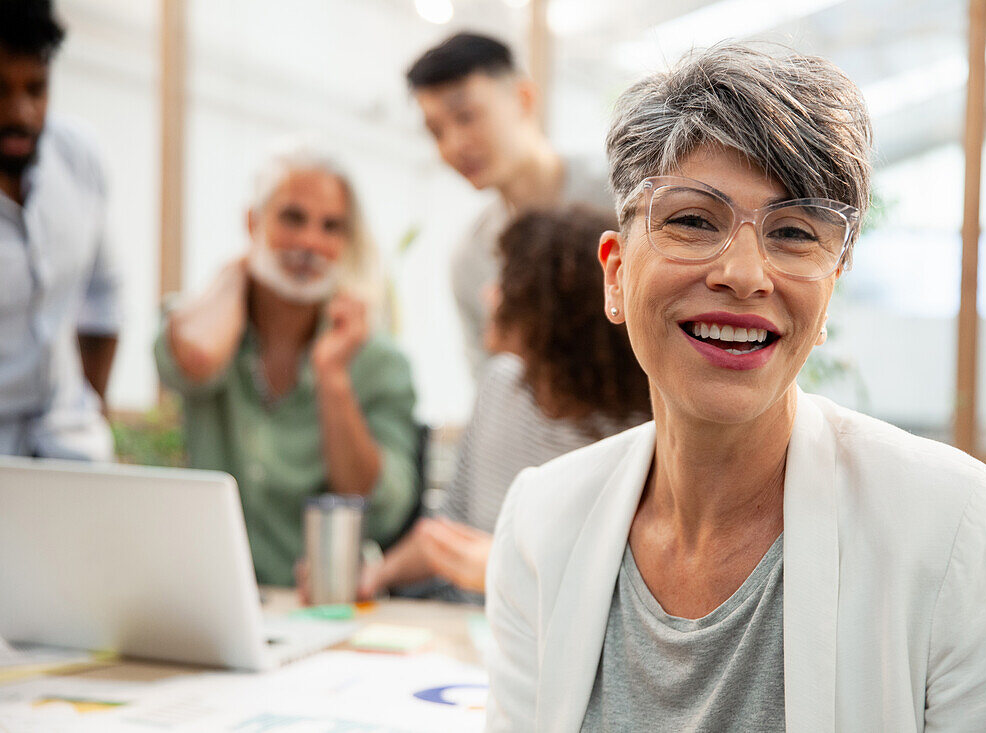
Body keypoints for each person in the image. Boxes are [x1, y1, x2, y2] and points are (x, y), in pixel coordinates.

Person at [485, 44, 986, 732]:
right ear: (616, 276)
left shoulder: (951, 526)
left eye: (794, 232)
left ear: (829, 294)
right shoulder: (540, 523)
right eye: (692, 220)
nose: (744, 272)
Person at [311, 205, 651, 605]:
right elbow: (450, 525)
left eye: (505, 279)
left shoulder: (637, 432)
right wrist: (374, 576)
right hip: (464, 629)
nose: (488, 294)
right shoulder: (498, 386)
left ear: (550, 310)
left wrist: (496, 569)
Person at [154, 142, 419, 588]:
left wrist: (333, 377)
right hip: (205, 591)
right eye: (292, 218)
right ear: (253, 222)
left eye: (331, 227)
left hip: (316, 606)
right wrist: (236, 272)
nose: (309, 243)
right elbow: (194, 361)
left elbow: (381, 507)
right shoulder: (207, 322)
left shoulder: (378, 361)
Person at [406, 32, 612, 376]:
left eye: (466, 116)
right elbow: (491, 387)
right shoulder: (472, 260)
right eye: (436, 131)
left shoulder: (621, 193)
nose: (454, 144)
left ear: (524, 98)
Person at [0, 0, 121, 460]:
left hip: (71, 449)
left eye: (36, 88)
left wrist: (92, 408)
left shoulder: (78, 157)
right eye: (0, 91)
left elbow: (105, 295)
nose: (21, 113)